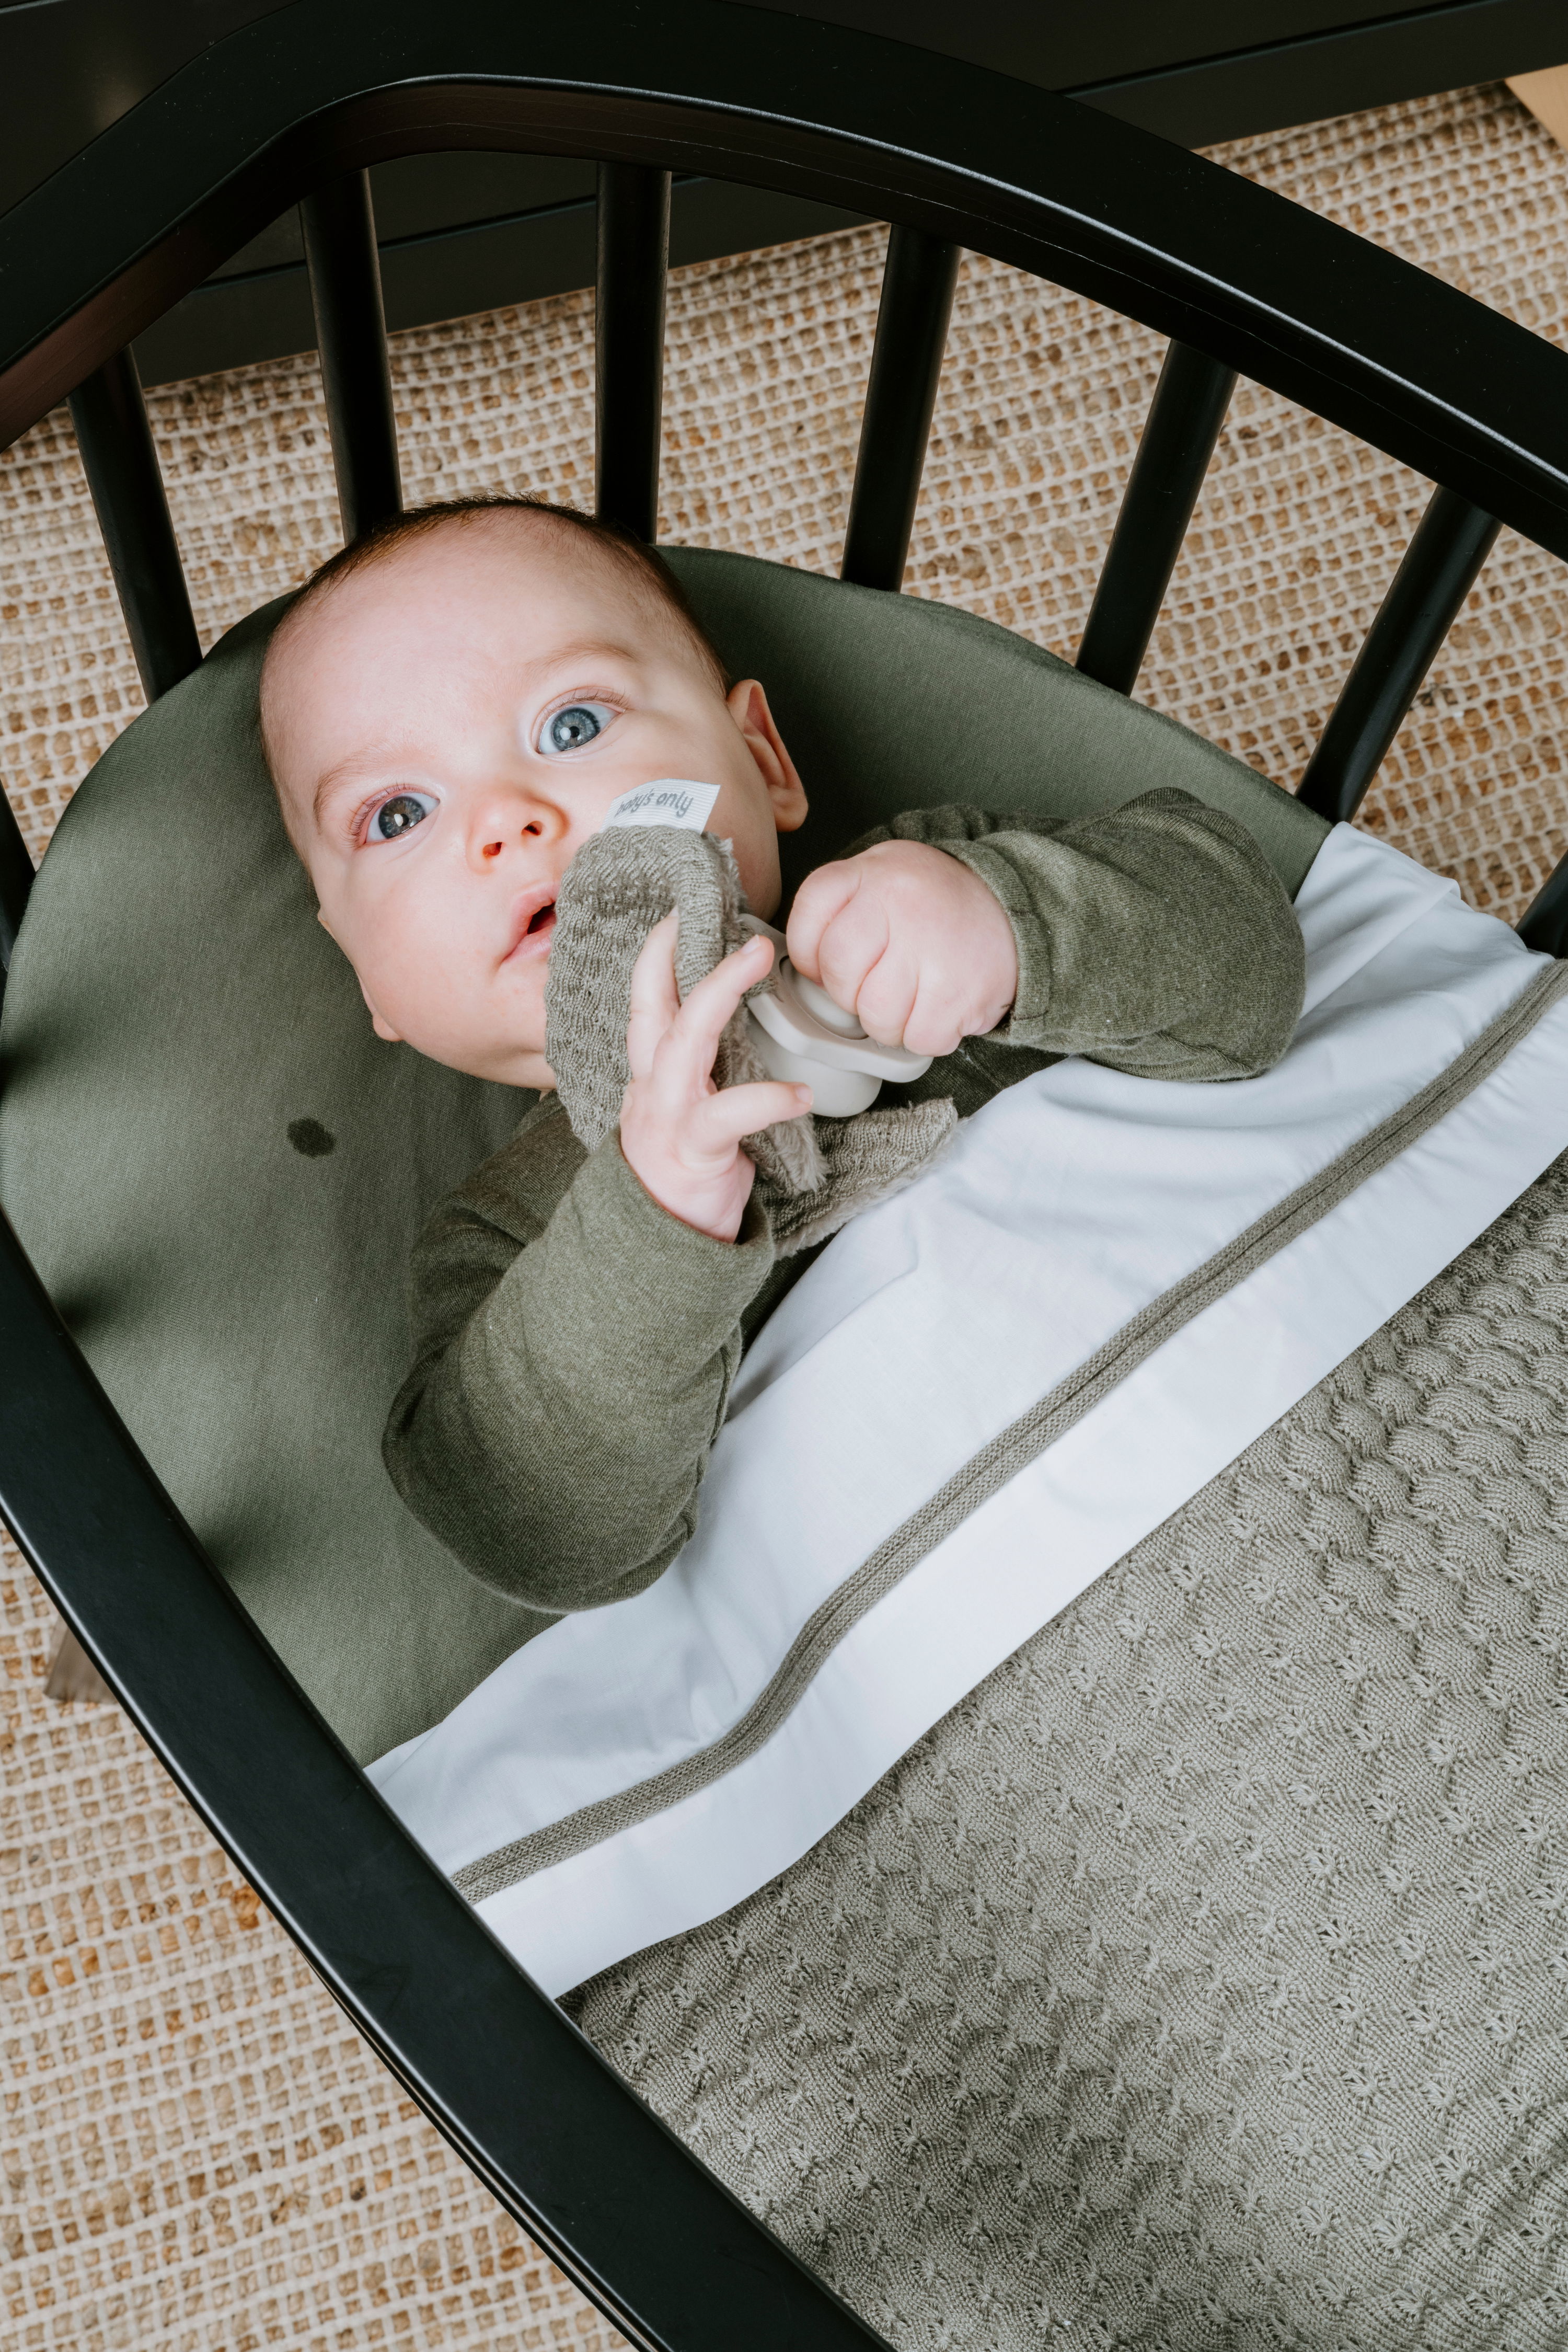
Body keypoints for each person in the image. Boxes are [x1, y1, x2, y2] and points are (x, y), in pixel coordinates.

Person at [259, 495, 1306, 1623]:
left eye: (571, 727)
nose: (507, 822)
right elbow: (526, 1529)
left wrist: (1007, 931)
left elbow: (1253, 967)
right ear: (369, 980)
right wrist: (651, 1226)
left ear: (762, 761)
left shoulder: (925, 887)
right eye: (399, 813)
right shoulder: (509, 1239)